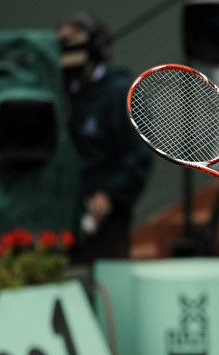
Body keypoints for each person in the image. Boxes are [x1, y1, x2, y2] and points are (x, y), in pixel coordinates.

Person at [57, 12, 152, 264]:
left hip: (105, 216)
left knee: (105, 287)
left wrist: (109, 194)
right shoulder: (59, 93)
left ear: (95, 47)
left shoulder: (120, 92)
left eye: (74, 43)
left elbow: (139, 157)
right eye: (62, 44)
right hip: (62, 213)